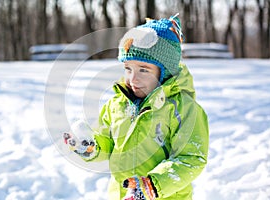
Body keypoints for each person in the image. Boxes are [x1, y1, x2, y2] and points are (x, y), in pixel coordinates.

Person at [63, 14, 209, 200]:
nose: (133, 79)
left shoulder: (183, 110)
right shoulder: (116, 105)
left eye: (143, 70)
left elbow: (191, 158)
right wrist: (91, 147)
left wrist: (152, 185)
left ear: (165, 72)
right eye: (128, 69)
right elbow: (107, 142)